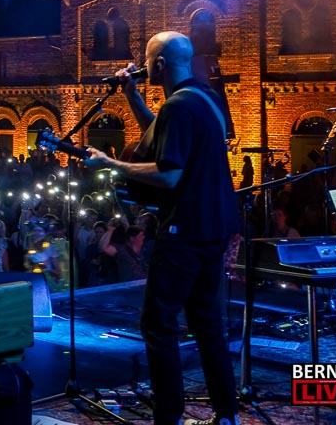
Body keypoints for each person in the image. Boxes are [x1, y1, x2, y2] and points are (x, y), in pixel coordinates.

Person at [85, 32, 240, 425]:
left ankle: (167, 417)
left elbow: (169, 174)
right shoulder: (205, 99)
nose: (143, 65)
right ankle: (226, 415)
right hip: (215, 228)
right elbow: (163, 136)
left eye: (147, 60)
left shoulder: (177, 107)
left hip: (184, 231)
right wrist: (133, 96)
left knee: (158, 324)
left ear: (158, 66)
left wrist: (111, 164)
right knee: (208, 324)